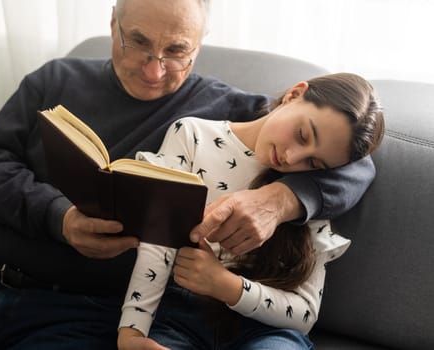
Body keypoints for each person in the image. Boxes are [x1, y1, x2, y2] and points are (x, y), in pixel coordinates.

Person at [0, 0, 378, 349]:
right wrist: (60, 219)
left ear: (197, 49)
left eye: (177, 51)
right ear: (113, 24)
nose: (155, 70)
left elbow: (358, 161)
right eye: (137, 41)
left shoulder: (231, 114)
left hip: (80, 314)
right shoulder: (54, 80)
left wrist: (280, 200)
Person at [117, 72, 385, 349]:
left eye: (314, 163)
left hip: (266, 331)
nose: (292, 159)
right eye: (302, 135)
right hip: (180, 318)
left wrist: (225, 285)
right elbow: (157, 242)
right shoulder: (194, 136)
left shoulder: (314, 190)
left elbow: (304, 313)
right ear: (294, 94)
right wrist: (132, 333)